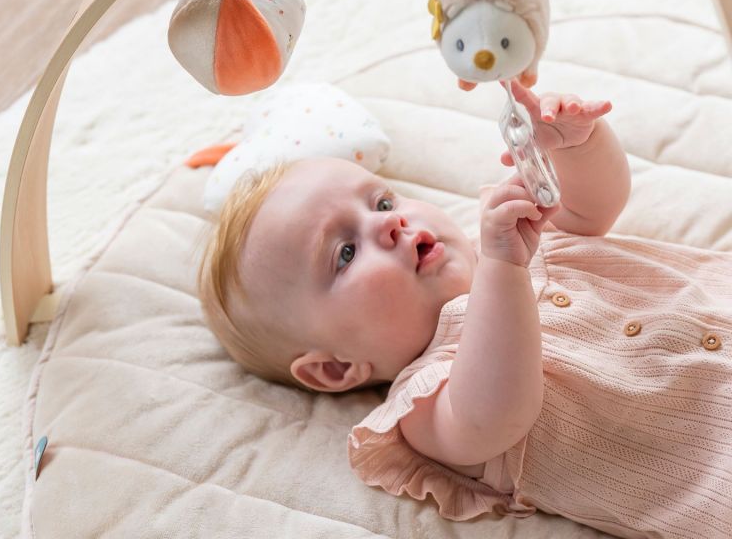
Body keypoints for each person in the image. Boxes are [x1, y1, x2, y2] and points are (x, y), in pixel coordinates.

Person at [198, 80, 732, 539]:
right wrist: (503, 268)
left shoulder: (507, 239)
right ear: (337, 368)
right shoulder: (428, 406)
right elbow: (498, 412)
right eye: (344, 253)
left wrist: (579, 146)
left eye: (382, 202)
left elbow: (595, 206)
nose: (388, 224)